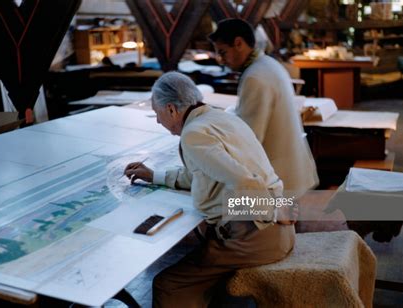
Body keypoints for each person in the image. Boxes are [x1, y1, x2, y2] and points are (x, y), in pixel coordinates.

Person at [124, 72, 295, 308]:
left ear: (172, 110)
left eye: (157, 113)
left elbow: (246, 182)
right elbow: (203, 173)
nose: (157, 121)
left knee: (169, 283)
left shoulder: (194, 134)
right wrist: (154, 175)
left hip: (258, 236)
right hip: (276, 232)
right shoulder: (222, 118)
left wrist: (274, 213)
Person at [208, 18, 318, 196]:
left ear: (239, 43)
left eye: (223, 52)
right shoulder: (268, 63)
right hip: (291, 167)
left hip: (278, 175)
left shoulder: (255, 76)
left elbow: (250, 137)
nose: (221, 60)